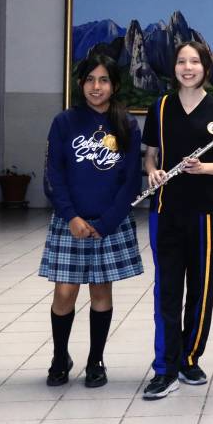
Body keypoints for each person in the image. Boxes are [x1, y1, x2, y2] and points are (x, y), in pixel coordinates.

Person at [141, 41, 213, 399]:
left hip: (206, 213)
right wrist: (153, 172)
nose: (188, 67)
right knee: (167, 290)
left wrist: (204, 168)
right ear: (174, 67)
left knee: (200, 289)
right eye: (182, 61)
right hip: (165, 209)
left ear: (205, 68)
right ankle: (165, 367)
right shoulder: (160, 107)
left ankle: (190, 358)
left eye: (195, 61)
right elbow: (150, 156)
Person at [41, 54, 143, 388]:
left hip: (109, 223)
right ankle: (60, 357)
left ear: (114, 85)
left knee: (101, 291)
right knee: (65, 293)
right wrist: (71, 216)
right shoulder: (64, 122)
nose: (96, 87)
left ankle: (95, 360)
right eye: (89, 80)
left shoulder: (126, 124)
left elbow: (131, 180)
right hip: (70, 222)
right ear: (80, 83)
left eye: (103, 80)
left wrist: (109, 221)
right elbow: (53, 175)